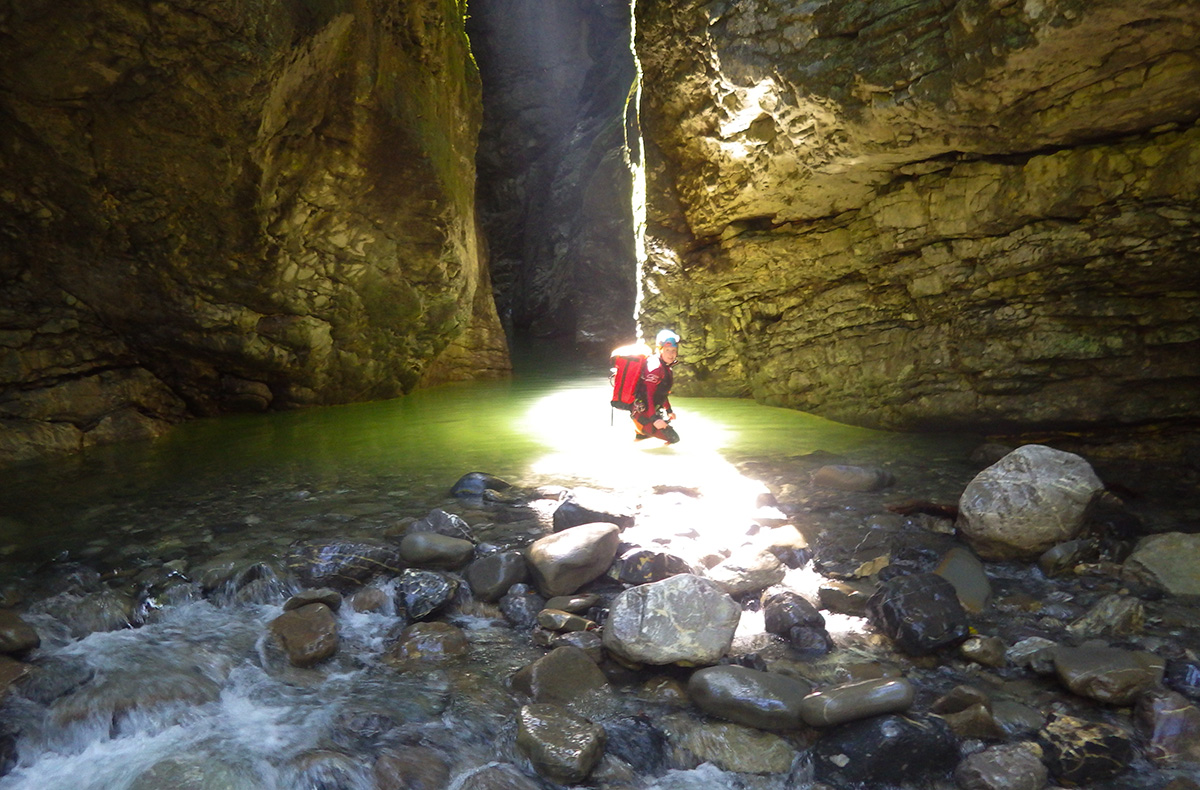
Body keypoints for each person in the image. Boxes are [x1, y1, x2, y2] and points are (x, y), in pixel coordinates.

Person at [632, 329, 680, 444]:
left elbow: (661, 392)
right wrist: (655, 419)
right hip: (643, 415)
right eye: (667, 350)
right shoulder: (655, 368)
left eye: (673, 350)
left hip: (645, 413)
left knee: (641, 439)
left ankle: (641, 433)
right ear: (660, 350)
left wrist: (668, 410)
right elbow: (648, 394)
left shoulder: (666, 367)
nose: (671, 354)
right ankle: (642, 429)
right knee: (673, 439)